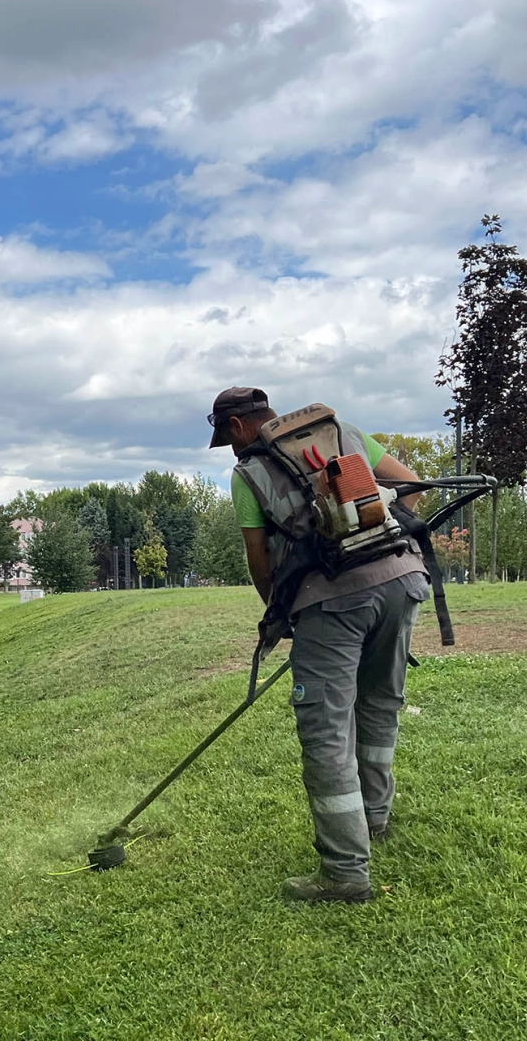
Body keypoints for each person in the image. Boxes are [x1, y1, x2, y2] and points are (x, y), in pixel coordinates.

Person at [208, 386, 430, 903]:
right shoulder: (343, 431)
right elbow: (411, 487)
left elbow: (258, 555)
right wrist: (379, 536)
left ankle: (346, 872)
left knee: (326, 729)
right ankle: (374, 820)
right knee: (378, 705)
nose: (232, 449)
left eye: (227, 438)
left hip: (330, 600)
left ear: (239, 426)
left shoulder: (248, 472)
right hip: (402, 581)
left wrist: (281, 612)